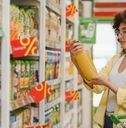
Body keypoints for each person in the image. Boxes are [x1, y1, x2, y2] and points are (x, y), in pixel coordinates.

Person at [69, 10, 126, 128]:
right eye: (118, 32)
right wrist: (76, 59)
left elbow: (105, 83)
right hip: (108, 119)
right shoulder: (116, 59)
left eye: (124, 32)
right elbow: (95, 84)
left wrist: (108, 84)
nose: (120, 37)